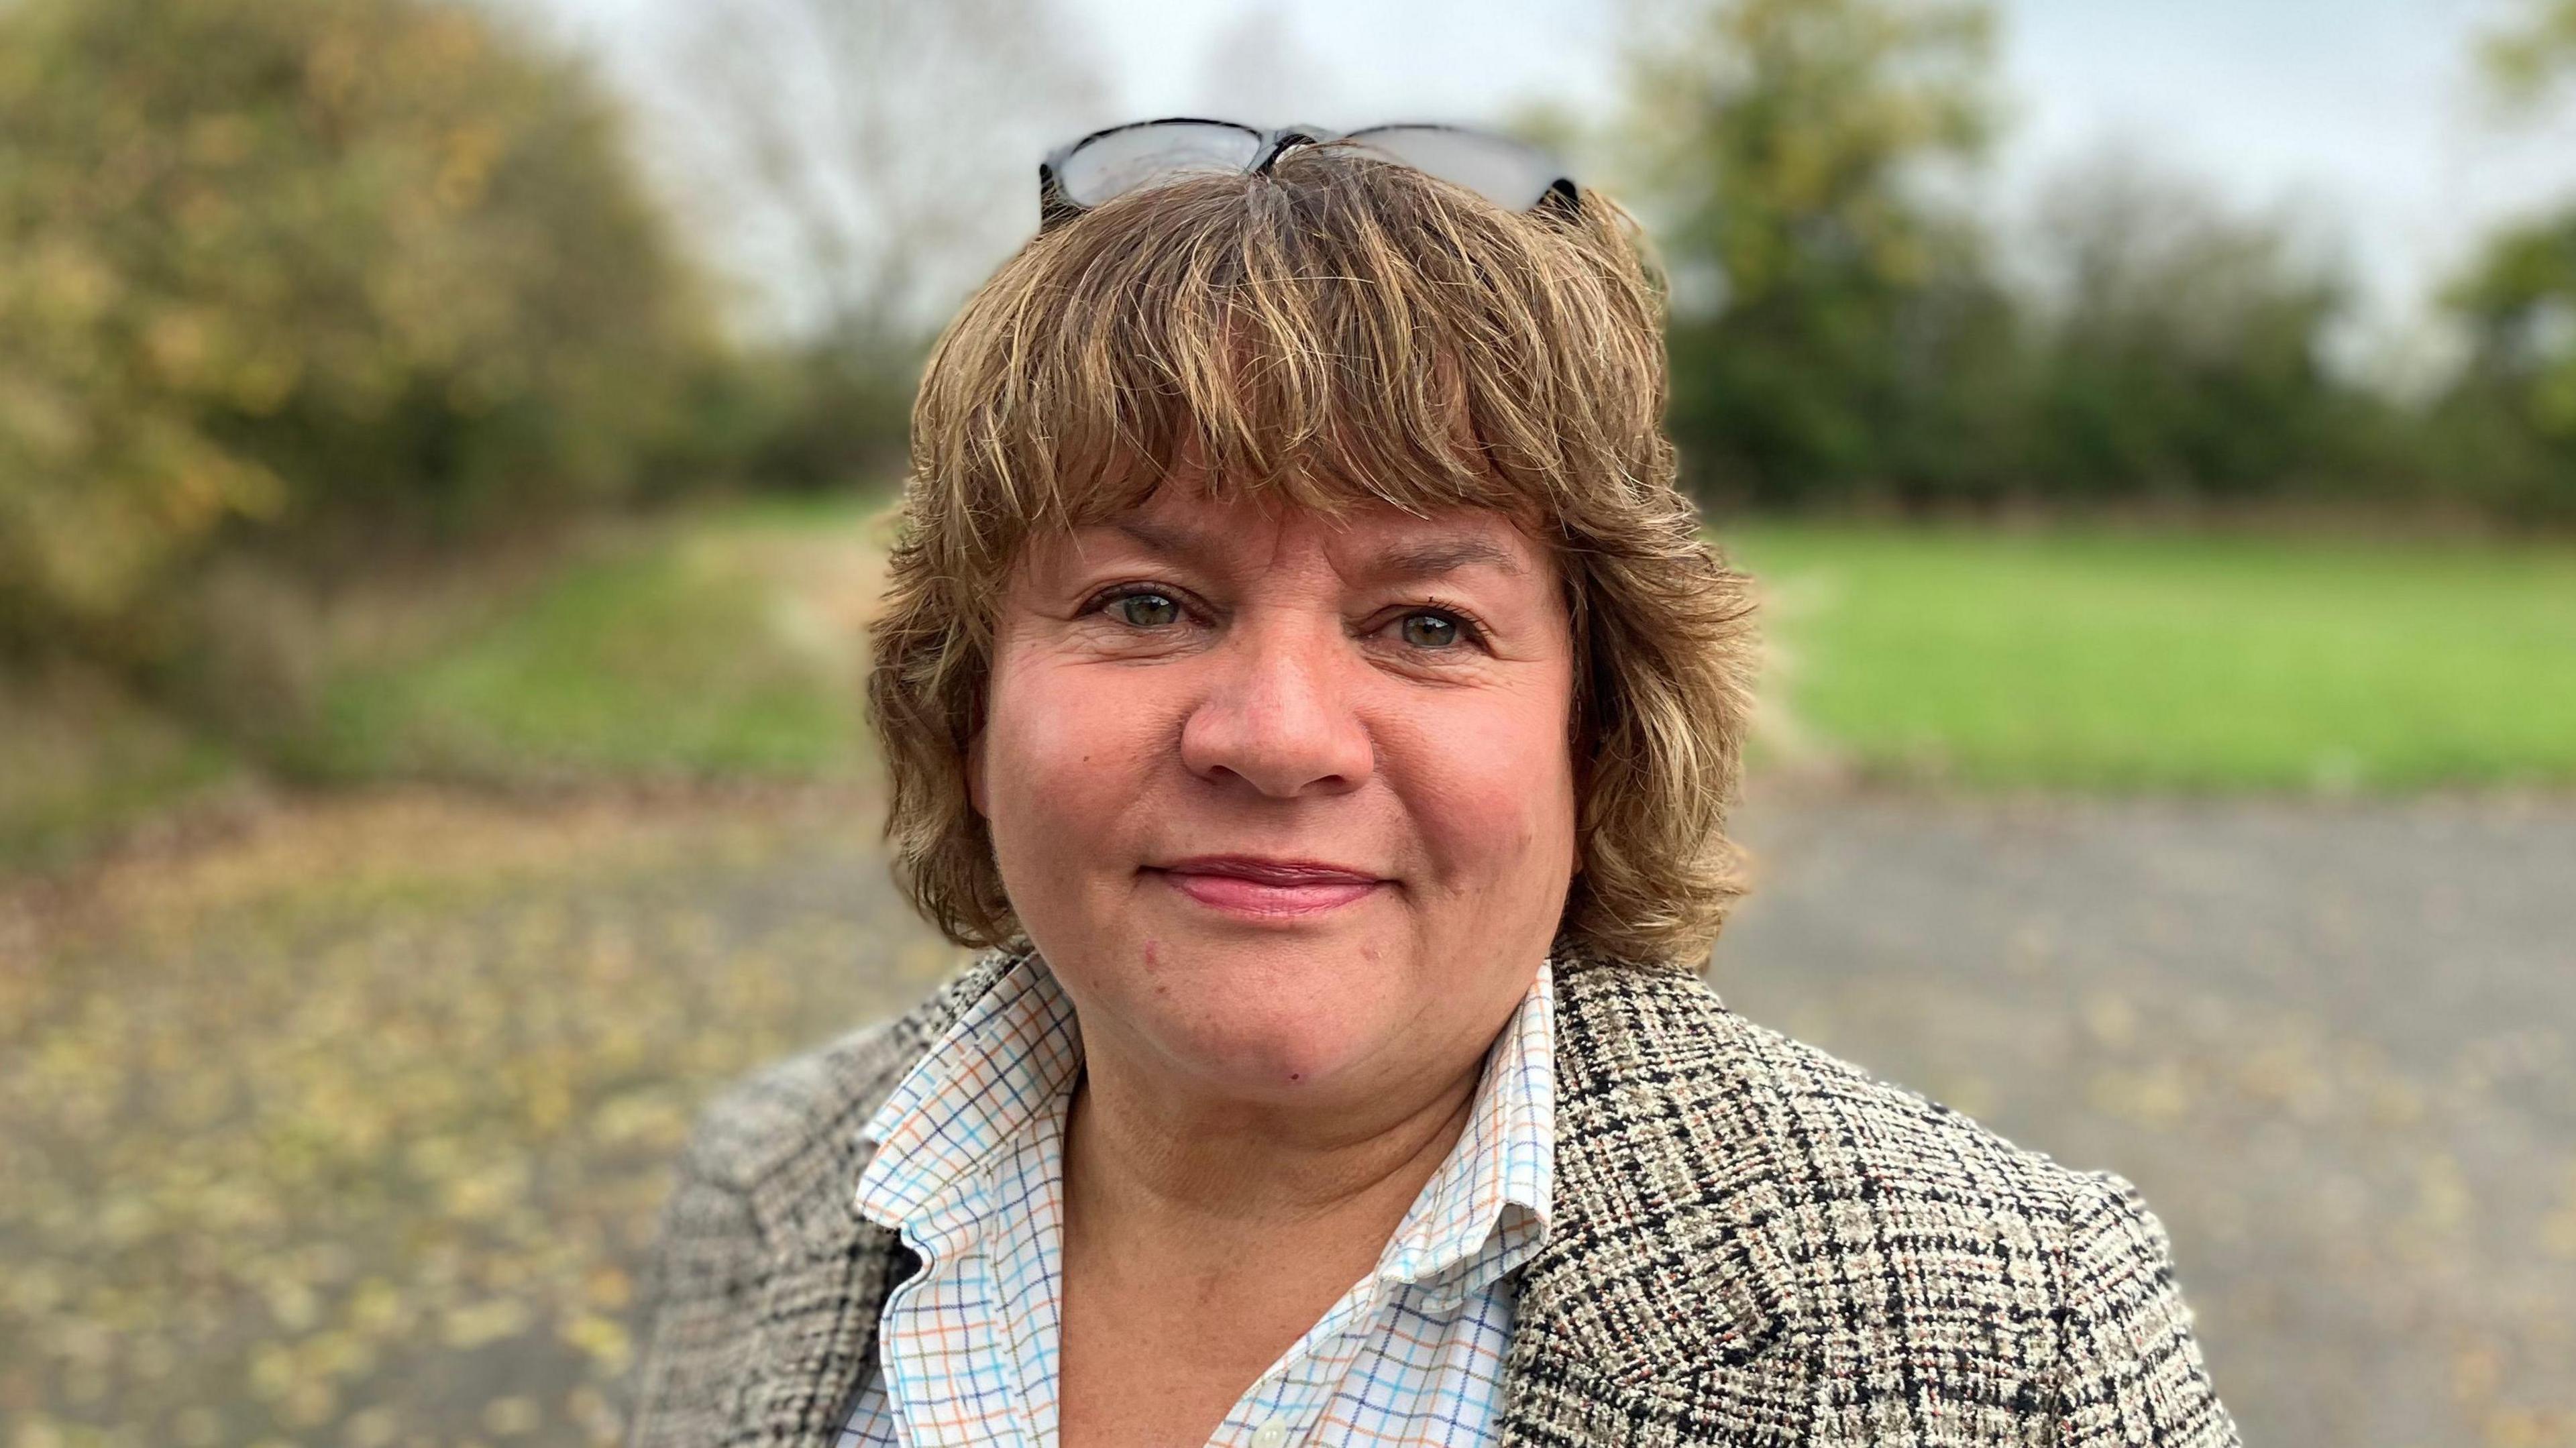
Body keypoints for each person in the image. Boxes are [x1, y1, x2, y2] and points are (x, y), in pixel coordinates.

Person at [623, 121, 2241, 1447]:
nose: (1275, 734)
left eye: (1426, 622)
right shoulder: (761, 1188)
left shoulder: (2005, 1337)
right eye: (1145, 604)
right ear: (967, 701)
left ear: (1599, 724)